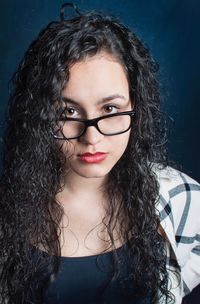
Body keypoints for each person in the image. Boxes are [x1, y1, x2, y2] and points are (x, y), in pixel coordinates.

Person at [0, 3, 199, 304]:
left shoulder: (180, 198)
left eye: (110, 109)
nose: (91, 137)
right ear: (39, 116)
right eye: (67, 111)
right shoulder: (8, 210)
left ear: (137, 108)